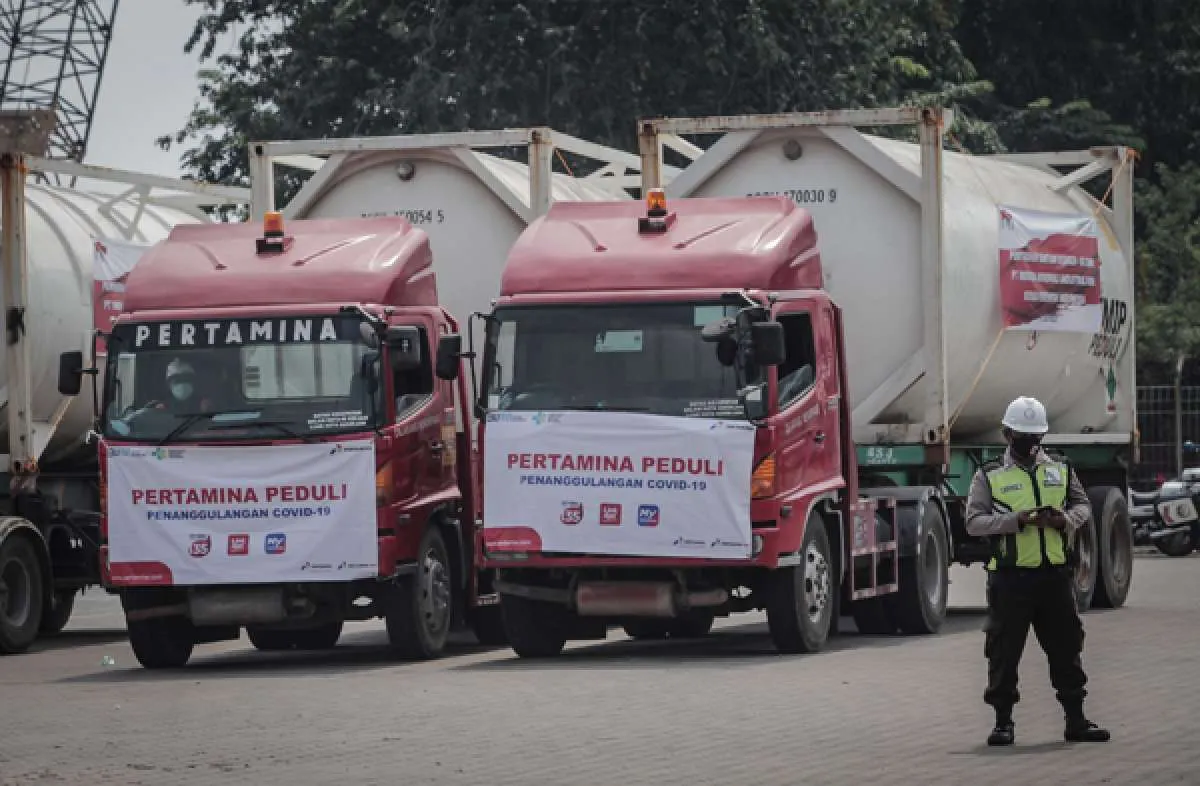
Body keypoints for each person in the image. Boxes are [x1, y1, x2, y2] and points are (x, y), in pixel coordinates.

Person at [965, 395, 1110, 746]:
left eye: (1036, 435)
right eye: (1022, 435)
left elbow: (1082, 506)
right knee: (1004, 653)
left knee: (1067, 648)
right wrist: (1017, 520)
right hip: (1011, 580)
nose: (1030, 442)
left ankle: (1076, 720)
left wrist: (1064, 520)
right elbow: (973, 522)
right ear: (1007, 434)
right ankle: (1003, 723)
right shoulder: (989, 476)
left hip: (1055, 578)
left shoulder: (1060, 469)